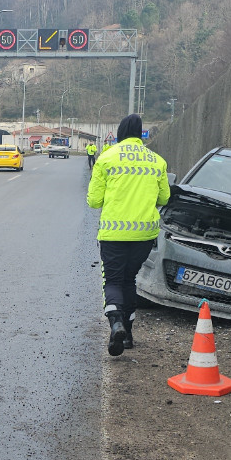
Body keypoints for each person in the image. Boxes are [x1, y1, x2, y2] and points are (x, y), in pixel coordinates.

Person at [85, 114, 169, 356]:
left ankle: (116, 323)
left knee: (112, 281)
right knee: (129, 281)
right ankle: (129, 335)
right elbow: (164, 198)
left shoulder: (106, 158)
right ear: (141, 133)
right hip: (144, 236)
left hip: (113, 235)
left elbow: (94, 201)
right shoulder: (157, 161)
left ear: (120, 132)